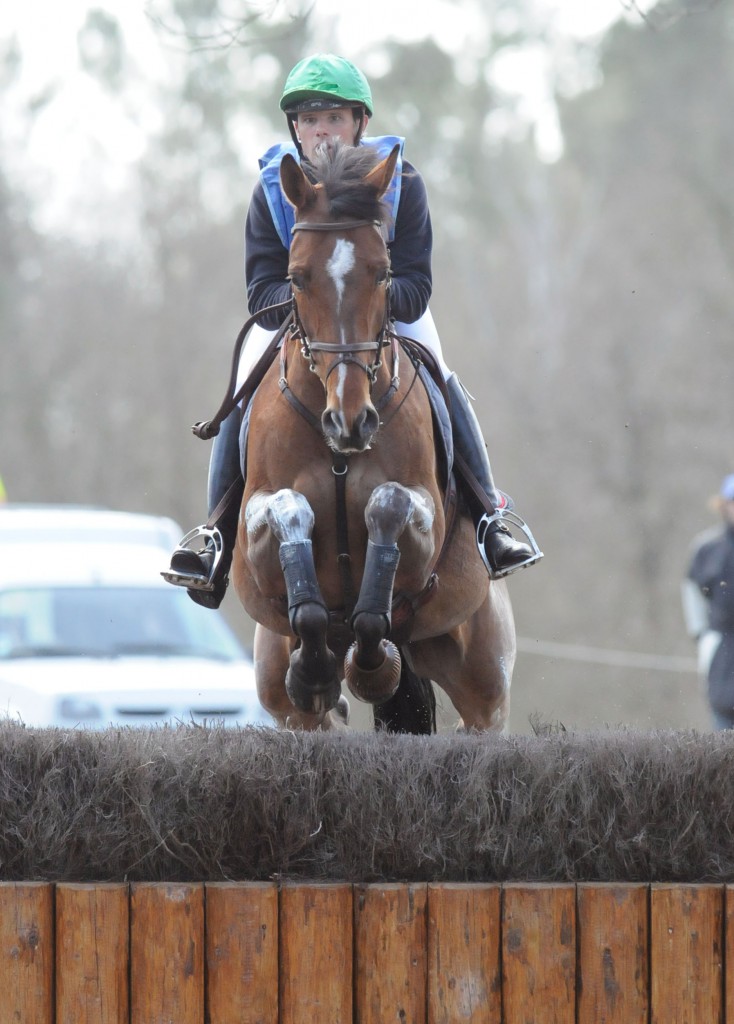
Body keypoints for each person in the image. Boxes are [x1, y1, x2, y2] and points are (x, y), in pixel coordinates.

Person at [163, 53, 542, 609]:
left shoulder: (399, 182)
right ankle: (217, 534)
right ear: (295, 126)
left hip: (385, 312)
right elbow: (261, 288)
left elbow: (415, 280)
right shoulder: (274, 188)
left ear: (359, 122)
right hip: (303, 317)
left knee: (443, 375)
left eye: (334, 117)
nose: (322, 129)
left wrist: (363, 306)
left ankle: (490, 517)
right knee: (243, 387)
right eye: (311, 118)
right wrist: (312, 305)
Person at [682, 473, 734, 729]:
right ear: (724, 505)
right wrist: (701, 634)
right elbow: (692, 589)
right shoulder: (707, 548)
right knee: (723, 719)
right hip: (721, 642)